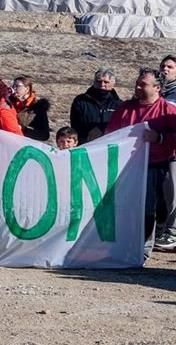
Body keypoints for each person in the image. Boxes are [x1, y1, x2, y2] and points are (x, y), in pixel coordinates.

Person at [106, 68, 176, 250]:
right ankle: (122, 246)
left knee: (148, 208)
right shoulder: (125, 109)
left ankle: (142, 249)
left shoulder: (168, 111)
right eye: (137, 83)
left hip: (154, 167)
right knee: (125, 207)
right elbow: (110, 134)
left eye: (142, 84)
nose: (137, 87)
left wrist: (159, 138)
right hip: (126, 167)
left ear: (157, 88)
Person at [69, 69, 121, 143]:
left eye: (106, 82)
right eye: (99, 81)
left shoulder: (119, 105)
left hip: (109, 145)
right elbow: (75, 127)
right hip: (86, 145)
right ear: (94, 82)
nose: (102, 85)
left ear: (112, 84)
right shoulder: (80, 101)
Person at [8, 75, 51, 142]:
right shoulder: (8, 103)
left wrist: (23, 130)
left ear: (27, 89)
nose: (14, 88)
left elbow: (44, 135)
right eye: (13, 86)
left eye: (18, 86)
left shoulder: (37, 107)